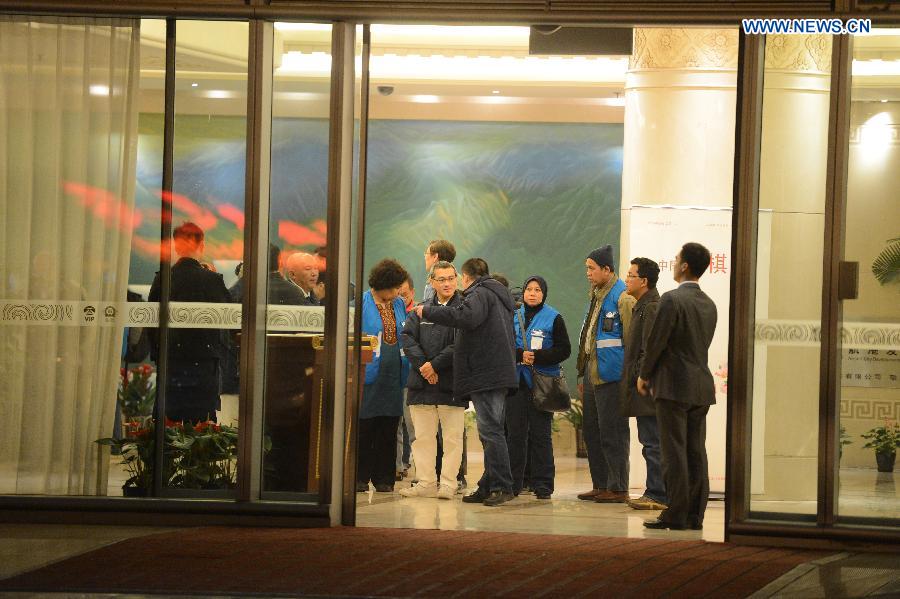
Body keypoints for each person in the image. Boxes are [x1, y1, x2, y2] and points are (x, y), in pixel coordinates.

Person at [415, 257, 518, 507]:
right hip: (493, 373)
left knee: (491, 431)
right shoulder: (496, 293)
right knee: (489, 432)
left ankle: (502, 486)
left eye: (456, 277)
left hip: (488, 374)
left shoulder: (480, 293)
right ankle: (487, 485)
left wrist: (427, 311)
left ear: (466, 276)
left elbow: (467, 318)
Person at [638, 242, 717, 531]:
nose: (673, 262)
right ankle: (695, 516)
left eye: (676, 259)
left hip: (673, 386)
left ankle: (675, 515)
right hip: (701, 386)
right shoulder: (709, 303)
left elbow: (657, 342)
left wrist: (645, 374)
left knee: (674, 453)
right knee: (696, 452)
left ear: (684, 266)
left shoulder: (671, 300)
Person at [148, 222, 231, 423]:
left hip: (172, 361)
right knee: (200, 425)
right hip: (203, 362)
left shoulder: (163, 279)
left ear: (176, 246)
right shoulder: (212, 280)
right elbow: (230, 316)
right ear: (201, 244)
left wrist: (159, 354)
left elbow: (151, 321)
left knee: (170, 423)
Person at [399, 261, 465, 500]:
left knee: (453, 438)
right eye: (441, 279)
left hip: (452, 382)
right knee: (423, 437)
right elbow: (407, 338)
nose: (447, 283)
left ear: (456, 279)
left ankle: (449, 483)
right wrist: (423, 367)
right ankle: (426, 481)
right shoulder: (421, 309)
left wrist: (434, 365)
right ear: (431, 282)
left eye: (451, 278)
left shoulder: (464, 309)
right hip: (421, 383)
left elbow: (461, 343)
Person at [575, 245, 635, 503]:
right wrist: (583, 372)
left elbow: (633, 341)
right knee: (592, 430)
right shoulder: (597, 295)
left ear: (607, 270)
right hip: (592, 372)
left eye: (591, 268)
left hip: (613, 375)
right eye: (586, 269)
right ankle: (601, 483)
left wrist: (629, 376)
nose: (587, 273)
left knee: (613, 432)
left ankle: (618, 487)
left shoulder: (623, 298)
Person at [507, 275, 571, 500]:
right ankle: (514, 483)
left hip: (542, 385)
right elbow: (504, 345)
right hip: (516, 384)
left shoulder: (554, 317)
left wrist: (538, 356)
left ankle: (543, 484)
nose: (532, 293)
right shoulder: (513, 315)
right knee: (515, 435)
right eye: (528, 289)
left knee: (541, 436)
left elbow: (564, 350)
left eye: (537, 290)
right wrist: (519, 355)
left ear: (544, 293)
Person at [358, 259, 410, 493]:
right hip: (368, 376)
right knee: (365, 426)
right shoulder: (360, 303)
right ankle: (359, 477)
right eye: (394, 287)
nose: (397, 291)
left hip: (393, 376)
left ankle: (384, 479)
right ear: (382, 285)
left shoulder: (398, 304)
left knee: (389, 427)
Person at [621, 257, 667, 511]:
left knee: (653, 442)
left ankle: (658, 493)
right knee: (650, 441)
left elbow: (649, 348)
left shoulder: (651, 307)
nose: (626, 280)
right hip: (642, 384)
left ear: (644, 281)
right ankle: (656, 491)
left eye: (631, 275)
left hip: (646, 387)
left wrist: (641, 376)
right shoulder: (642, 305)